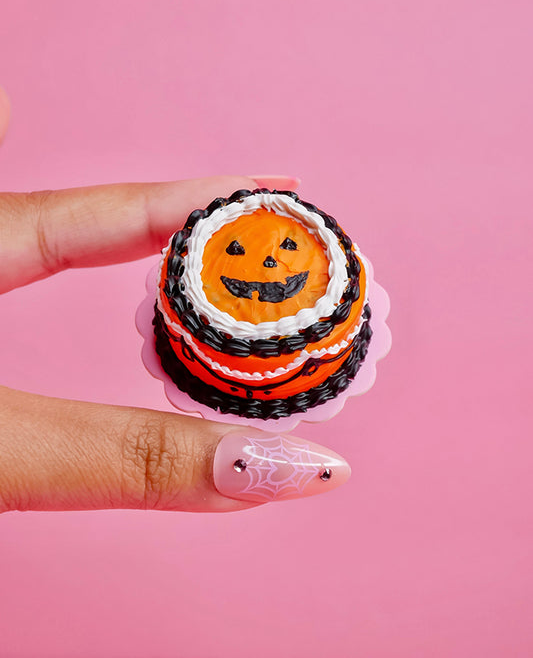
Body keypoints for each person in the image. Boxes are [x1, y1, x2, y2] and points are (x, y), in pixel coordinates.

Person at [0, 87, 350, 513]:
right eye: (236, 249)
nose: (270, 261)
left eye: (289, 249)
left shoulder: (334, 281)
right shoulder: (191, 278)